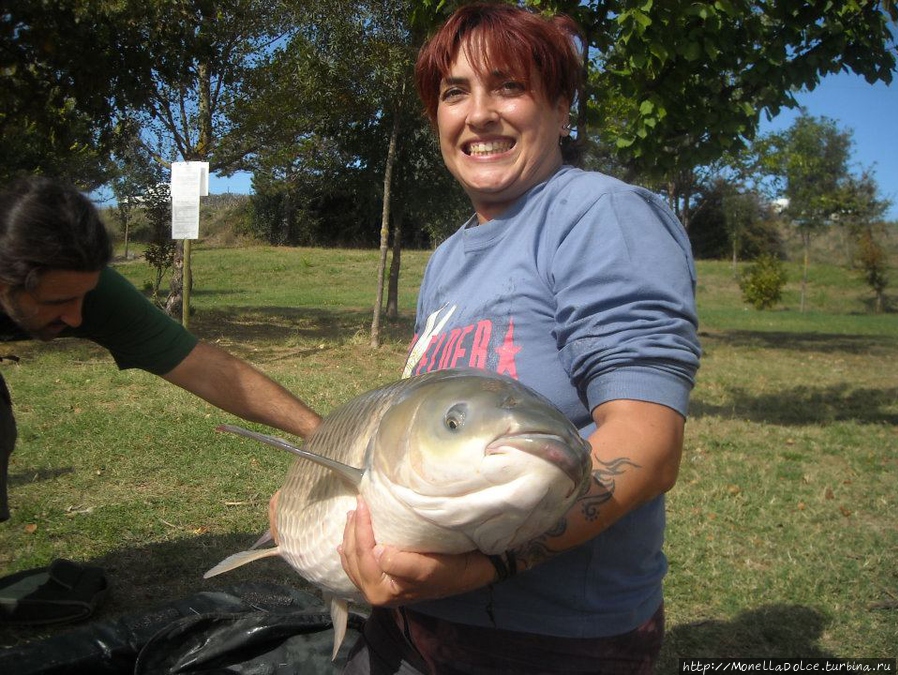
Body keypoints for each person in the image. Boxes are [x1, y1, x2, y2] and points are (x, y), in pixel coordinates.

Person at [338, 4, 702, 674]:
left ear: (562, 108)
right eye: (454, 93)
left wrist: (486, 564)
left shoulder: (600, 216)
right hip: (415, 621)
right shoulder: (449, 255)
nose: (477, 114)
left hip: (548, 642)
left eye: (508, 86)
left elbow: (648, 445)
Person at [0, 175, 321, 523]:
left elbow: (205, 368)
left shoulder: (88, 288)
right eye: (60, 301)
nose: (77, 317)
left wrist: (325, 434)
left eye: (84, 296)